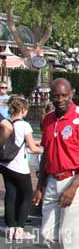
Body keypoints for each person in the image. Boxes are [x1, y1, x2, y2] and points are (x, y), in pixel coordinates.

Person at [34, 78, 79, 249]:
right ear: (51, 97)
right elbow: (46, 154)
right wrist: (40, 185)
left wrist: (73, 187)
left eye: (64, 95)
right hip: (54, 180)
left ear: (71, 94)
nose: (60, 99)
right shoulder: (48, 120)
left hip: (78, 179)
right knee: (48, 234)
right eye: (56, 96)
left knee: (68, 237)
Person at [0, 96, 42, 240]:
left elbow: (21, 142)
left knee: (10, 194)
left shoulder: (7, 123)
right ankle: (20, 229)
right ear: (23, 110)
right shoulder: (25, 125)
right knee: (27, 195)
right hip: (19, 166)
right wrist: (44, 149)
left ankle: (10, 227)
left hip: (5, 164)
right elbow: (32, 148)